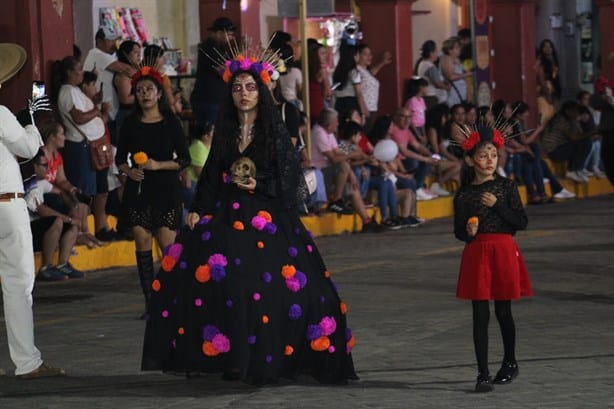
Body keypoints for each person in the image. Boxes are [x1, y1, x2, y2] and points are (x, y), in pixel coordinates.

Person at [141, 48, 358, 385]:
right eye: (237, 87)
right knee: (225, 285)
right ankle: (234, 356)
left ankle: (271, 357)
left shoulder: (273, 132)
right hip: (227, 215)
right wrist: (198, 208)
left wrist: (262, 183)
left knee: (281, 289)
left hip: (267, 217)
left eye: (250, 87)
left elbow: (291, 181)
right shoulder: (224, 132)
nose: (244, 93)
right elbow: (212, 173)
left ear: (262, 91)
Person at [0, 42, 65, 379]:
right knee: (18, 284)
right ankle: (26, 362)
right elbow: (27, 148)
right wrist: (31, 121)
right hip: (6, 206)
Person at [453, 125, 532, 393]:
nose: (489, 161)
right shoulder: (463, 193)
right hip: (477, 252)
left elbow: (520, 222)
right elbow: (458, 231)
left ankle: (510, 361)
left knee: (503, 310)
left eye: (493, 156)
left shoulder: (506, 186)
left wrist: (497, 205)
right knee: (479, 314)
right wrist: (468, 232)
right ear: (469, 160)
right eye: (484, 156)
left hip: (503, 249)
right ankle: (482, 372)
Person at [116, 65, 191, 317]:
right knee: (142, 242)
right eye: (139, 90)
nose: (144, 93)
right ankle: (151, 302)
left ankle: (170, 297)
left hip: (166, 188)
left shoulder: (171, 122)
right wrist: (128, 171)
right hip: (138, 189)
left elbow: (184, 159)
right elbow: (119, 159)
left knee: (168, 246)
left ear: (159, 93)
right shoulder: (130, 123)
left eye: (149, 89)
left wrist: (157, 165)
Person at [24, 149, 82, 281]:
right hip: (28, 231)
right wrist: (69, 219)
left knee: (72, 225)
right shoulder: (27, 183)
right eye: (44, 165)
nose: (48, 168)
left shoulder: (41, 183)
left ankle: (63, 264)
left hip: (40, 229)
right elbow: (42, 210)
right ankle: (46, 267)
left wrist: (73, 207)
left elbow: (61, 193)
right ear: (34, 166)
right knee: (58, 221)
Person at [190, 16, 236, 125]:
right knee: (209, 133)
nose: (231, 38)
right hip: (209, 99)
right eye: (229, 34)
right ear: (219, 33)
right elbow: (222, 70)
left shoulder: (219, 47)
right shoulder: (210, 47)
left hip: (214, 98)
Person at [440, 36, 472, 107]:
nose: (460, 49)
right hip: (453, 94)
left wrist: (468, 92)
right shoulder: (447, 59)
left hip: (462, 93)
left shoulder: (457, 59)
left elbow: (464, 76)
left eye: (459, 47)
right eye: (457, 48)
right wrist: (466, 75)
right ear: (450, 50)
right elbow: (451, 76)